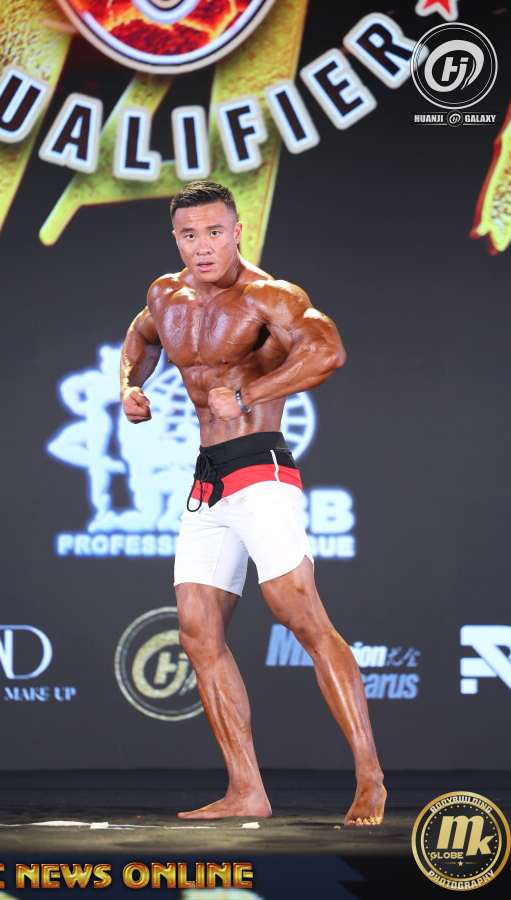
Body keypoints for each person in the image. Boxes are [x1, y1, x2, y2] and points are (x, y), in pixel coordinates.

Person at [120, 181, 386, 825]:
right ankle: (247, 790)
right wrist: (129, 386)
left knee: (303, 619)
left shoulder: (270, 296)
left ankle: (370, 777)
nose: (203, 246)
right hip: (207, 481)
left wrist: (247, 395)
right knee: (196, 631)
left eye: (215, 232)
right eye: (190, 235)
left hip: (260, 469)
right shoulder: (166, 295)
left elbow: (328, 351)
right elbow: (141, 337)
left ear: (237, 231)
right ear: (176, 238)